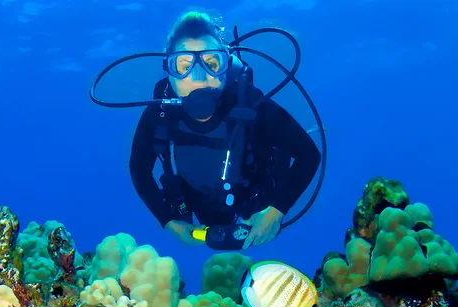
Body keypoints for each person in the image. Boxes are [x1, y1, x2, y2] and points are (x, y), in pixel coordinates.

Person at [129, 11, 321, 250]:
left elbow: (309, 154)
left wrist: (276, 211)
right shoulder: (159, 115)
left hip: (254, 199)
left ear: (225, 66)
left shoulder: (251, 105)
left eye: (211, 64)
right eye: (184, 66)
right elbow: (138, 168)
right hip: (195, 203)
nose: (199, 79)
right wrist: (169, 222)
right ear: (169, 71)